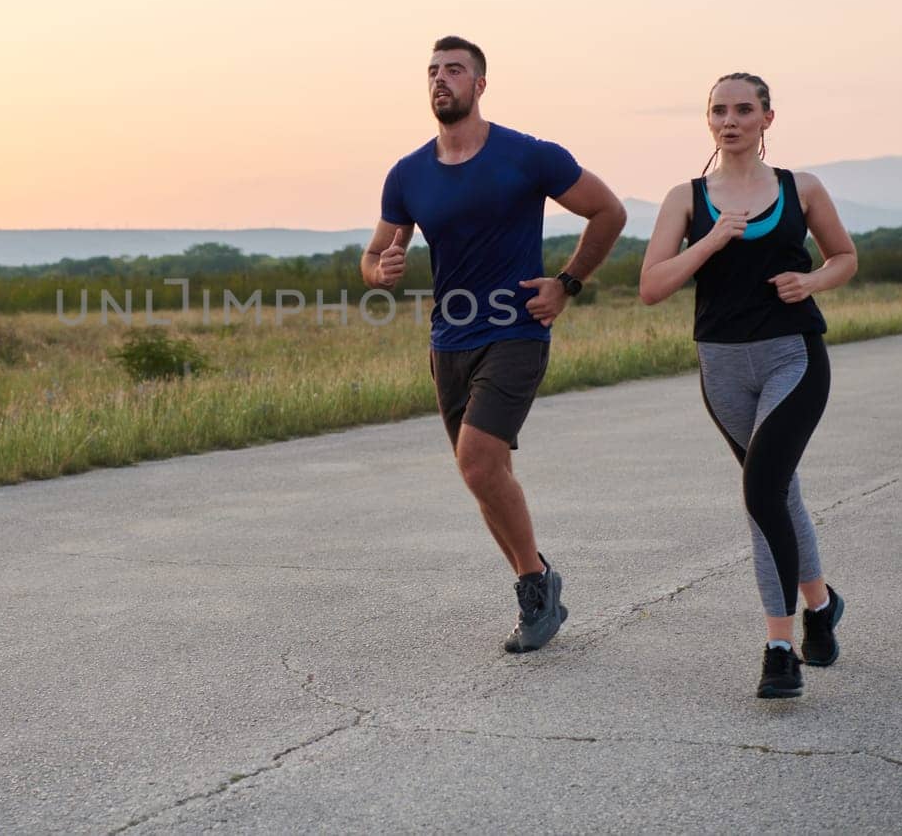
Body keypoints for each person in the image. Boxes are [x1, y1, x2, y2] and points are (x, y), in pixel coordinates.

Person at [363, 36, 627, 653]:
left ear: (480, 84)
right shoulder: (408, 174)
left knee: (477, 460)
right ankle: (538, 581)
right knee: (486, 475)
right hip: (449, 337)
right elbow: (374, 256)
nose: (440, 79)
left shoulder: (528, 156)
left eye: (454, 70)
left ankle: (534, 589)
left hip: (516, 328)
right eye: (432, 71)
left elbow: (608, 211)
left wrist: (567, 284)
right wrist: (382, 271)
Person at [639, 72, 858, 698]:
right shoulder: (686, 198)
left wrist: (811, 282)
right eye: (718, 111)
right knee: (778, 490)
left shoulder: (801, 188)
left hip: (793, 358)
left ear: (767, 118)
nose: (729, 120)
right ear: (708, 121)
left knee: (761, 490)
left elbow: (844, 257)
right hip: (722, 366)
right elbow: (652, 287)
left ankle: (779, 646)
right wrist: (709, 240)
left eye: (743, 109)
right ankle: (820, 607)